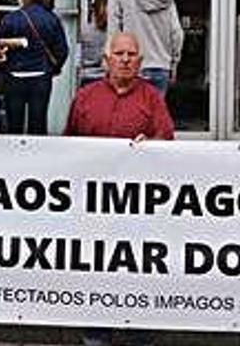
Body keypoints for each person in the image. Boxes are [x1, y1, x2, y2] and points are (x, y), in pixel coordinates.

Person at [65, 32, 172, 346]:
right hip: (94, 207)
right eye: (120, 53)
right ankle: (95, 332)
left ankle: (139, 332)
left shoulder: (152, 97)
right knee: (95, 268)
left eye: (132, 54)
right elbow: (68, 145)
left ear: (140, 61)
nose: (126, 59)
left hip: (136, 208)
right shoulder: (85, 97)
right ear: (106, 60)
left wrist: (151, 146)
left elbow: (167, 140)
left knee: (136, 269)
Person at [0, 0, 68, 135]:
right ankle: (37, 158)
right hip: (41, 77)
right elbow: (62, 50)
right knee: (38, 124)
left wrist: (4, 68)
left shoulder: (10, 19)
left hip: (14, 77)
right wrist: (53, 68)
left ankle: (15, 157)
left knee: (14, 126)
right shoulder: (51, 19)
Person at [106, 0, 184, 95]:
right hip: (161, 67)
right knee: (155, 113)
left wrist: (110, 63)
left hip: (130, 65)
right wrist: (174, 62)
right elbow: (177, 33)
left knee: (131, 113)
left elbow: (114, 34)